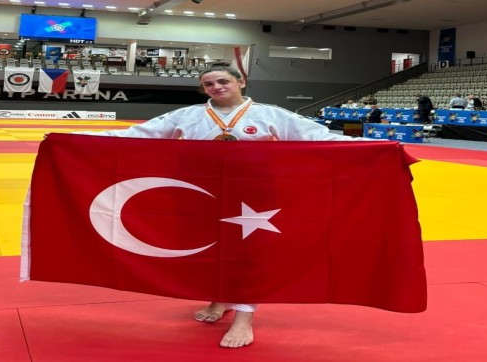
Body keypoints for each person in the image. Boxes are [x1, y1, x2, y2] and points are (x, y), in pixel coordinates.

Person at [72, 63, 360, 348]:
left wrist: (372, 144)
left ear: (240, 82)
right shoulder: (187, 115)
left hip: (252, 195)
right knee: (208, 249)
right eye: (209, 84)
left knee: (248, 253)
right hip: (200, 193)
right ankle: (219, 298)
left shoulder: (270, 114)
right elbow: (138, 134)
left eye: (223, 81)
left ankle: (245, 315)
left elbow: (318, 137)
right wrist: (73, 138)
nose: (216, 87)